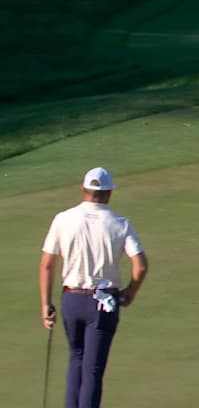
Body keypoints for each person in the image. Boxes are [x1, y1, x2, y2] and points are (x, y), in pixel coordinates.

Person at [39, 167, 149, 408]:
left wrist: (46, 304)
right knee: (93, 370)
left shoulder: (63, 219)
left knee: (76, 359)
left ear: (83, 189)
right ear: (109, 193)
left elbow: (47, 265)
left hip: (71, 300)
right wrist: (131, 291)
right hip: (103, 304)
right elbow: (140, 265)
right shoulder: (120, 223)